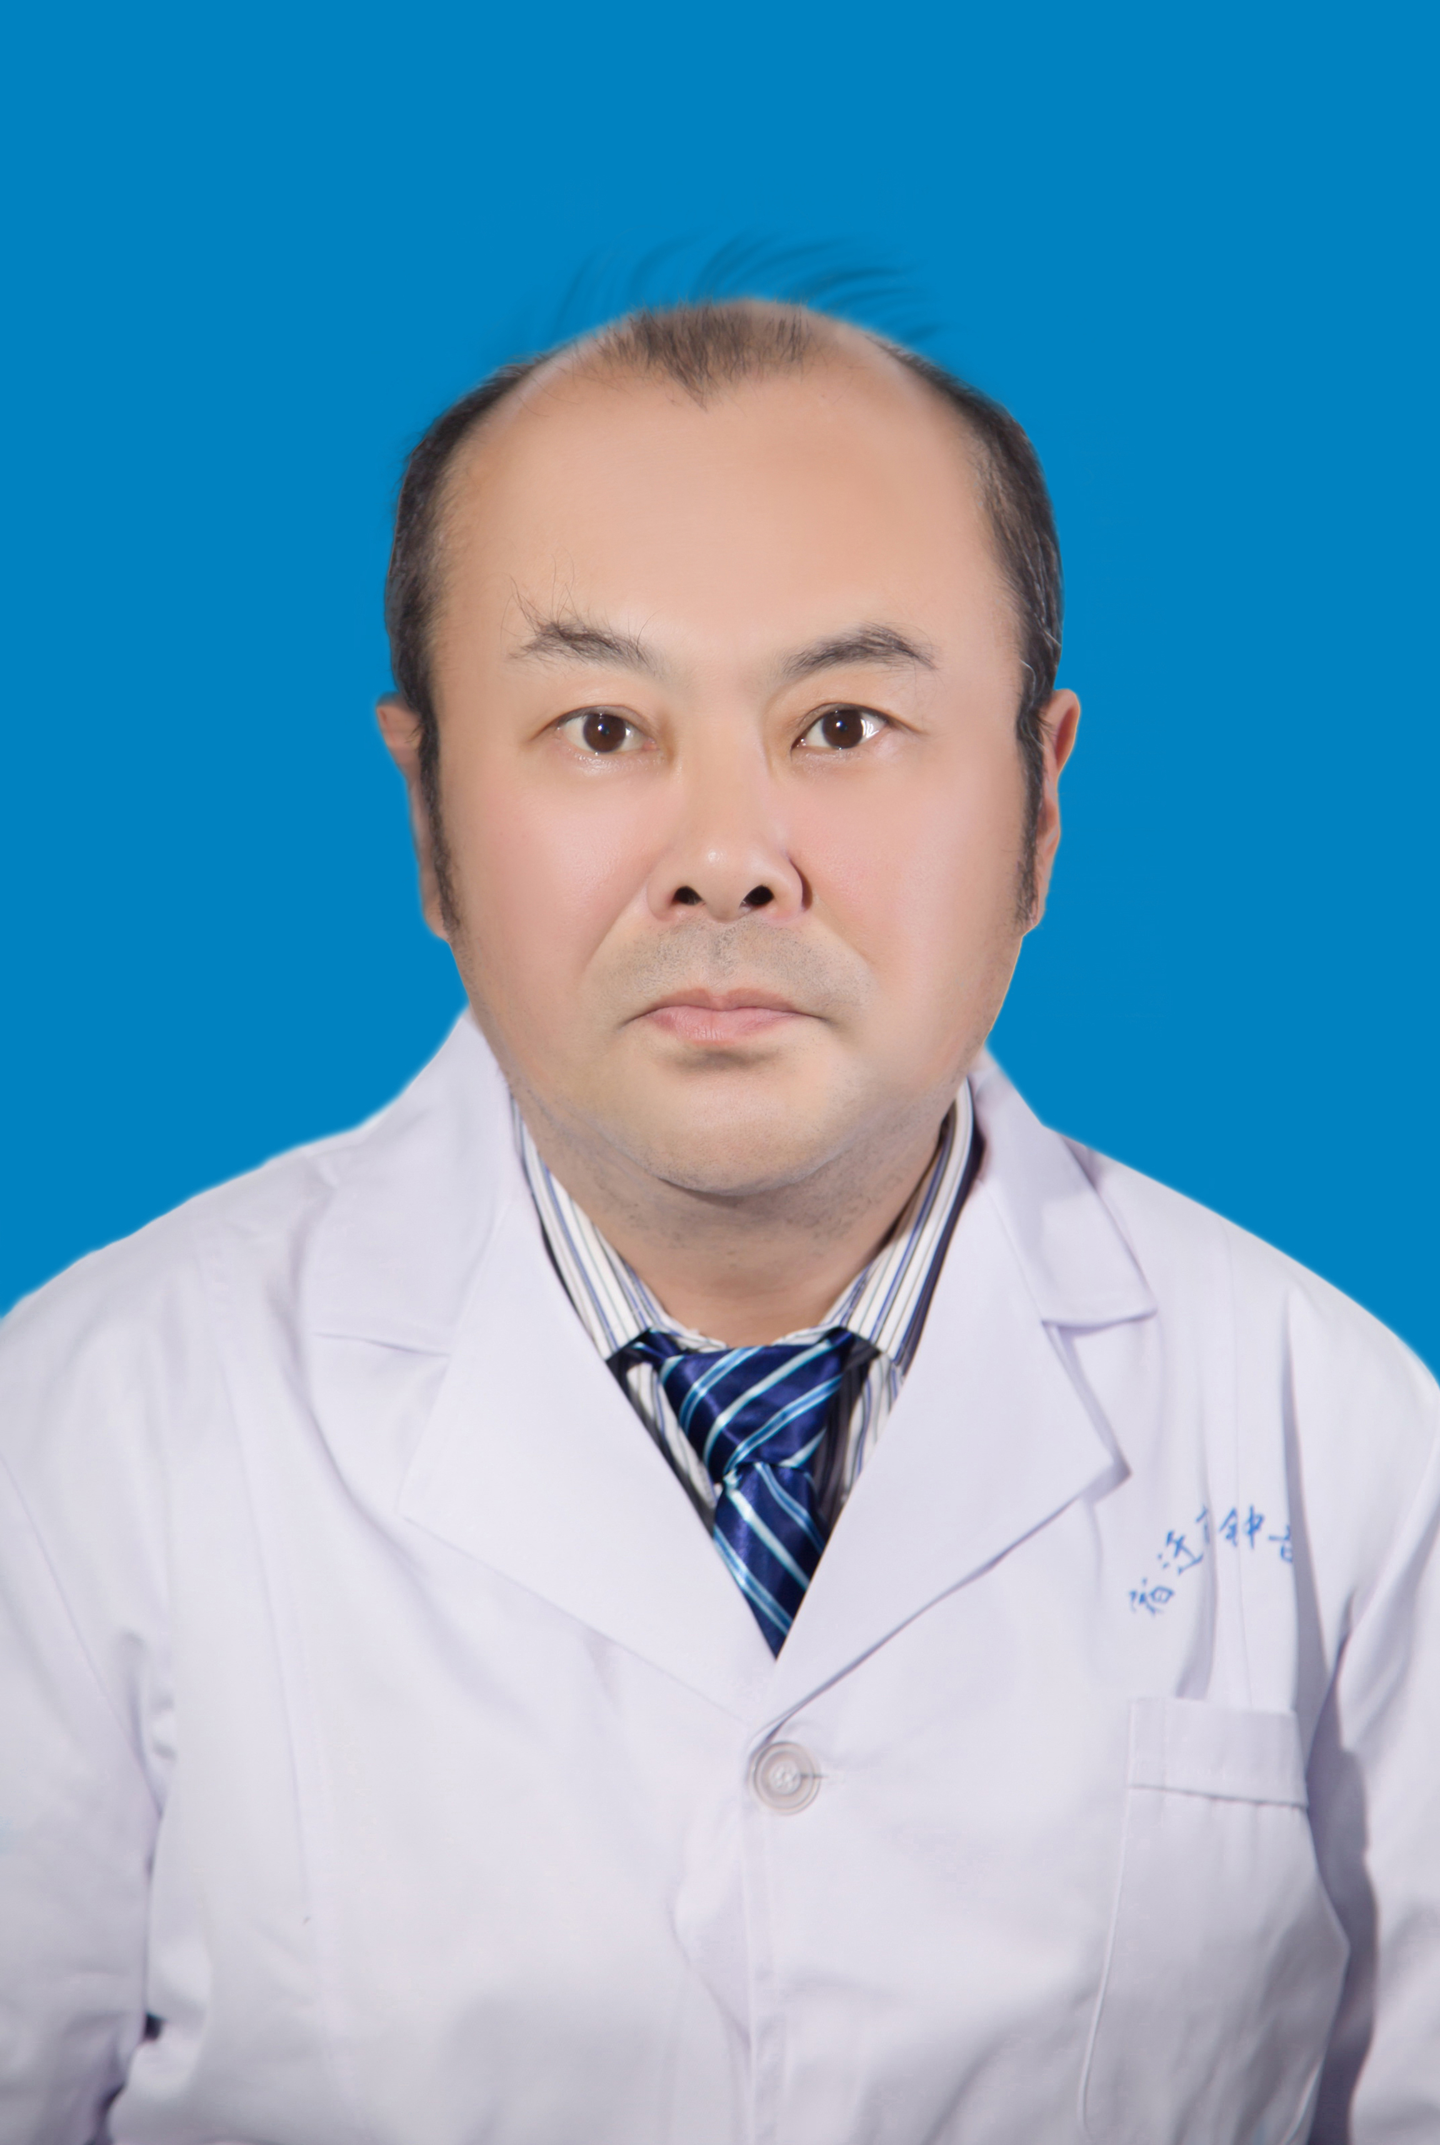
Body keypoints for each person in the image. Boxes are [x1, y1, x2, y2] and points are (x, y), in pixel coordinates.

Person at [1, 298, 1436, 2145]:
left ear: (1042, 802)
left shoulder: (1335, 1433)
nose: (729, 859)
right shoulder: (89, 1435)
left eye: (845, 724)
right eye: (602, 727)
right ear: (429, 815)